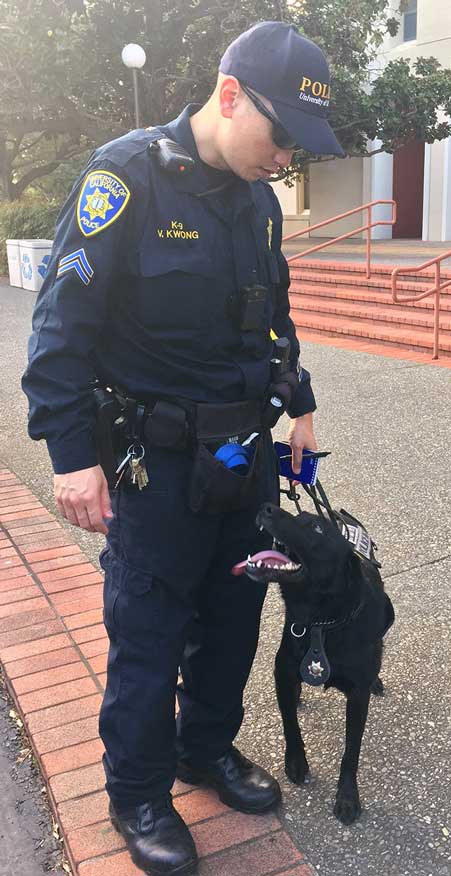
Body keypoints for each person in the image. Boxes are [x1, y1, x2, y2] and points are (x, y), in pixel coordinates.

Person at [22, 20, 344, 876]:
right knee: (149, 631)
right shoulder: (123, 179)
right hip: (154, 464)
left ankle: (204, 748)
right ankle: (137, 790)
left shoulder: (258, 202)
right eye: (282, 137)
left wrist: (301, 403)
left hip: (241, 455)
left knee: (233, 615)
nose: (286, 159)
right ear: (230, 95)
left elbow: (272, 316)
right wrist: (68, 456)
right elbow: (58, 330)